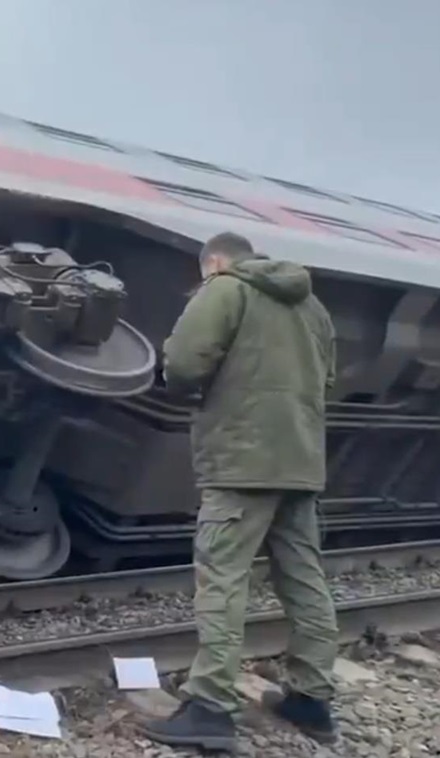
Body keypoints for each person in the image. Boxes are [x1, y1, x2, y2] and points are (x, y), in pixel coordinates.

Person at [139, 232, 341, 751]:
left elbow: (183, 364)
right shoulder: (313, 307)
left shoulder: (225, 288)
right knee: (304, 577)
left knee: (223, 578)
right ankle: (312, 698)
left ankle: (210, 706)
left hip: (241, 463)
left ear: (214, 261)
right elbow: (328, 381)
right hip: (300, 461)